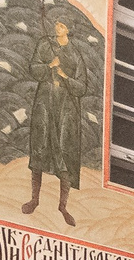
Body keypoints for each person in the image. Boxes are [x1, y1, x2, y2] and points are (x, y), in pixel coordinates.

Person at [22, 19, 87, 226]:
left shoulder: (75, 54)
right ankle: (34, 199)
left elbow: (82, 87)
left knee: (64, 152)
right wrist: (50, 65)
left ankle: (63, 205)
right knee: (40, 146)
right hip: (45, 104)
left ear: (68, 29)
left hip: (66, 110)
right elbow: (33, 68)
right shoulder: (44, 44)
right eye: (56, 24)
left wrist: (64, 76)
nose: (56, 28)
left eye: (61, 25)